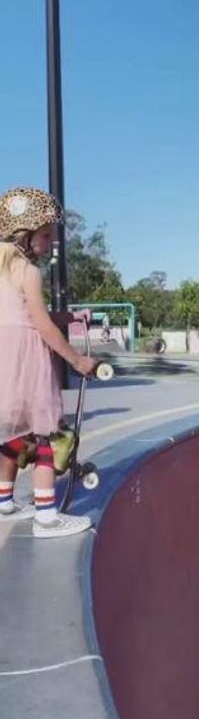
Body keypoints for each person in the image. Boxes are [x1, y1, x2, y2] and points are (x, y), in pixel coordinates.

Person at [0, 187, 96, 537]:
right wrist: (76, 360)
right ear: (25, 234)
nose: (50, 241)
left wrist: (71, 316)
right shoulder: (27, 270)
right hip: (27, 362)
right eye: (45, 234)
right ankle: (46, 516)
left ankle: (4, 502)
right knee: (46, 435)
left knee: (14, 434)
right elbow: (38, 325)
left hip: (3, 362)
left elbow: (20, 314)